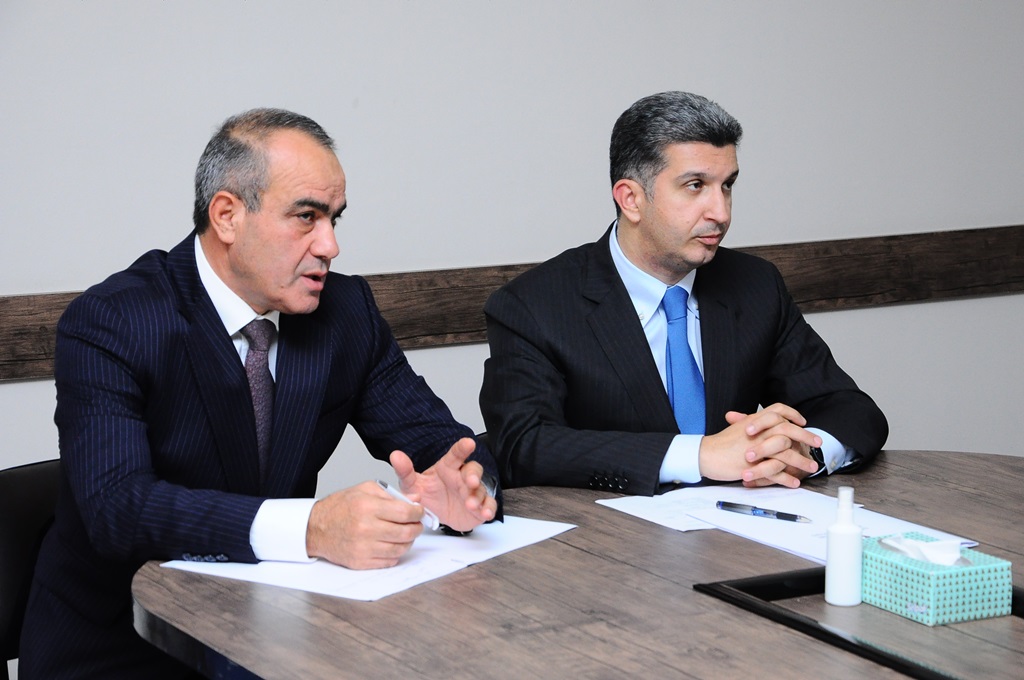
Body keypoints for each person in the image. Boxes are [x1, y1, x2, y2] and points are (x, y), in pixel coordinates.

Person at [20, 108, 500, 678]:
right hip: (122, 649)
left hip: (273, 634)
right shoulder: (114, 320)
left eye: (335, 219)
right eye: (306, 217)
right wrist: (313, 528)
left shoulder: (346, 313)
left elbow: (444, 445)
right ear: (227, 216)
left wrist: (465, 492)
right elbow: (119, 508)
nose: (330, 245)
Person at [479, 91, 887, 495]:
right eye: (695, 186)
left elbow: (850, 409)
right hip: (608, 531)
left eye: (727, 186)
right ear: (631, 199)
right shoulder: (533, 305)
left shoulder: (755, 284)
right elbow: (523, 445)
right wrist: (699, 456)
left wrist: (805, 451)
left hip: (741, 526)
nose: (721, 213)